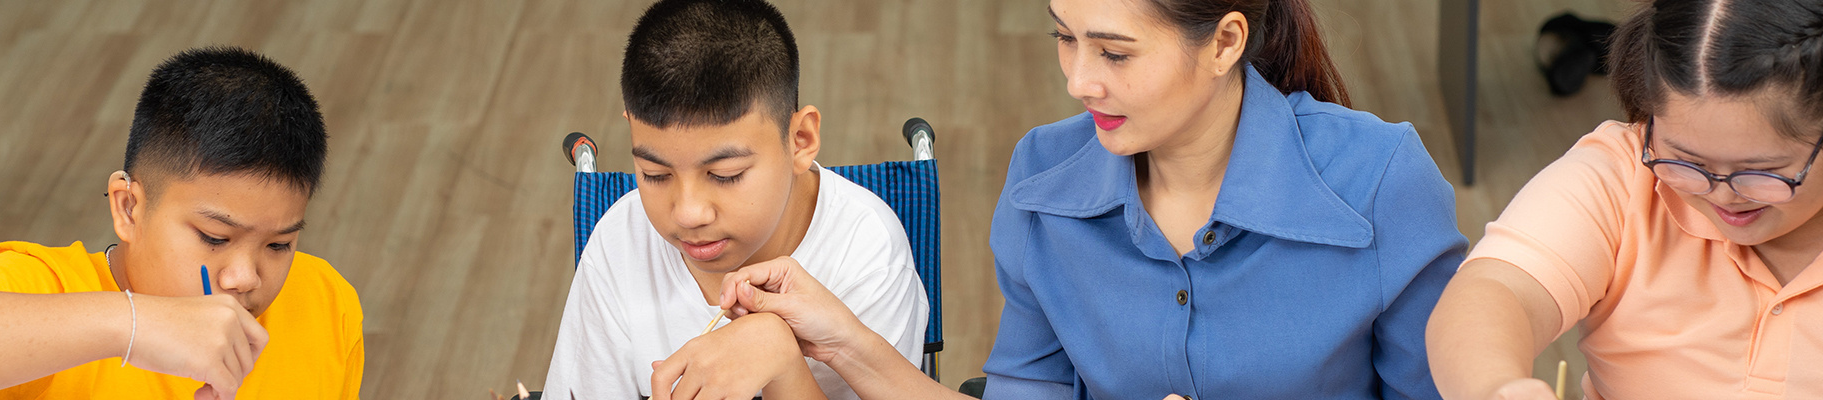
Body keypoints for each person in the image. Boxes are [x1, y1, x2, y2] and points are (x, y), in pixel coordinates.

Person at [652, 0, 1466, 398]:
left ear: (1224, 41)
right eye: (1064, 37)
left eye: (1113, 51)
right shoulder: (1044, 184)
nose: (1079, 80)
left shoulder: (1379, 182)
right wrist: (842, 340)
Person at [0, 47, 361, 400]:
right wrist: (130, 326)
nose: (244, 276)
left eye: (280, 245)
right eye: (214, 238)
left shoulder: (325, 300)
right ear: (128, 207)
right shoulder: (43, 289)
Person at [1428, 1, 1823, 398]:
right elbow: (1498, 291)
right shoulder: (1625, 174)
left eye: (1760, 172)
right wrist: (1498, 387)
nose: (1721, 192)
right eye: (1685, 161)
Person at [539, 0, 928, 398]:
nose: (689, 213)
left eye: (726, 175)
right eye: (655, 175)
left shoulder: (866, 254)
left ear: (800, 141)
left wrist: (784, 364)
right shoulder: (620, 242)